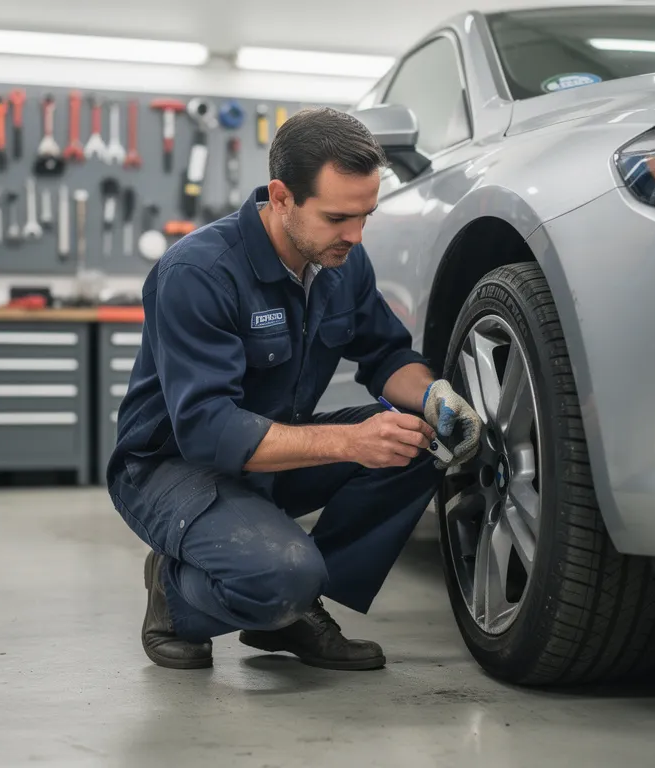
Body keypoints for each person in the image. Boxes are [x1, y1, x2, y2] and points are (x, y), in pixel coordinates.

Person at [106, 107, 483, 671]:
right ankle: (181, 596)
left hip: (269, 453)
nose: (355, 236)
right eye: (337, 217)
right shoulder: (197, 274)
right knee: (281, 573)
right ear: (281, 198)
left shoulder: (340, 262)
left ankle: (294, 612)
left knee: (418, 442)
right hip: (172, 467)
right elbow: (208, 429)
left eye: (365, 216)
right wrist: (350, 442)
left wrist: (434, 397)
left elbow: (385, 354)